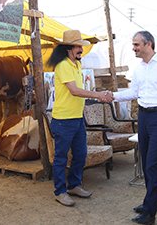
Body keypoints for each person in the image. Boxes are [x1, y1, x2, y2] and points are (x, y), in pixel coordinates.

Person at [111, 31, 157, 225]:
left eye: (136, 44)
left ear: (148, 44)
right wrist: (112, 95)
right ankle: (153, 202)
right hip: (143, 116)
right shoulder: (139, 68)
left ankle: (150, 212)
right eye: (133, 44)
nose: (134, 48)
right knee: (146, 161)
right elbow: (134, 92)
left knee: (153, 163)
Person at [46, 29, 111, 207]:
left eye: (81, 47)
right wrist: (98, 96)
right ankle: (60, 191)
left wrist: (96, 95)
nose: (81, 50)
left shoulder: (77, 64)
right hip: (63, 120)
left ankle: (74, 185)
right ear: (68, 48)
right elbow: (74, 91)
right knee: (60, 158)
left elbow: (80, 91)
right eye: (77, 47)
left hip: (77, 118)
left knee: (80, 154)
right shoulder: (63, 65)